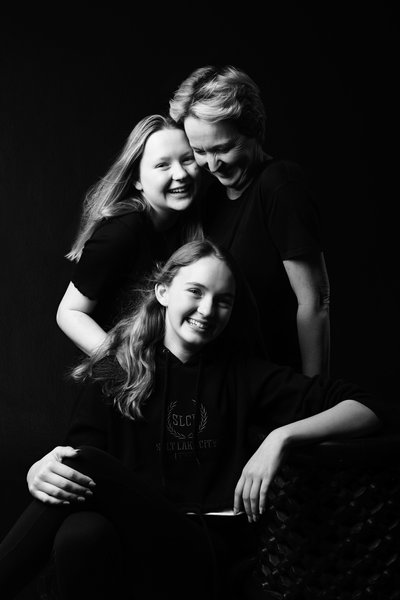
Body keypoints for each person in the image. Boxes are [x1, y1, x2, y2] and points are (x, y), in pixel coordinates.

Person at [0, 240, 383, 600]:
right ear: (163, 292)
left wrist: (281, 438)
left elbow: (370, 406)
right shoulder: (114, 374)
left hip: (203, 551)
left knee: (78, 463)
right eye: (196, 291)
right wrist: (43, 471)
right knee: (79, 533)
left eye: (223, 301)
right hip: (129, 541)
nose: (207, 310)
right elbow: (78, 476)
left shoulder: (245, 375)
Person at [169, 65, 331, 377]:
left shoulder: (280, 185)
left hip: (274, 380)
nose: (212, 165)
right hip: (225, 384)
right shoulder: (209, 198)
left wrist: (312, 396)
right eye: (199, 151)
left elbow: (316, 300)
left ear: (254, 130)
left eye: (223, 148)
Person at [56, 114, 203, 356]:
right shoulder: (121, 232)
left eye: (187, 160)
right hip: (127, 384)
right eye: (162, 165)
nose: (181, 174)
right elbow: (70, 313)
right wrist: (122, 371)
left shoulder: (188, 222)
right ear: (137, 180)